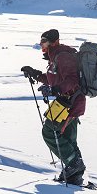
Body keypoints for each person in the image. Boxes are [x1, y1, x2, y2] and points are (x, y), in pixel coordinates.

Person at [21, 29, 87, 185]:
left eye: (43, 42)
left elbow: (71, 80)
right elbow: (54, 79)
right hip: (68, 102)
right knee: (68, 138)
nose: (41, 45)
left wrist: (54, 90)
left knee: (49, 132)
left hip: (69, 102)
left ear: (53, 42)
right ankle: (75, 174)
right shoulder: (55, 56)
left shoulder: (63, 56)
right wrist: (35, 74)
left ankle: (73, 164)